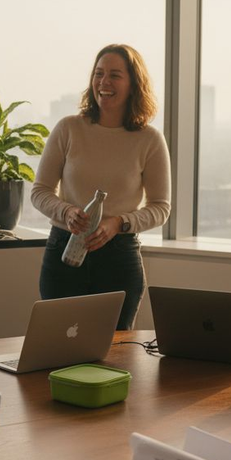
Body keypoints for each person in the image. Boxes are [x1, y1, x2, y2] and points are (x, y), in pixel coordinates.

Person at [31, 44, 171, 329]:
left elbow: (161, 208)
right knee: (57, 349)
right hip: (63, 254)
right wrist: (66, 211)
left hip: (119, 259)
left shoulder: (150, 139)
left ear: (134, 84)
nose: (103, 82)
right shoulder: (68, 128)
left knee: (116, 356)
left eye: (115, 75)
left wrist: (118, 223)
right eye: (98, 74)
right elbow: (40, 191)